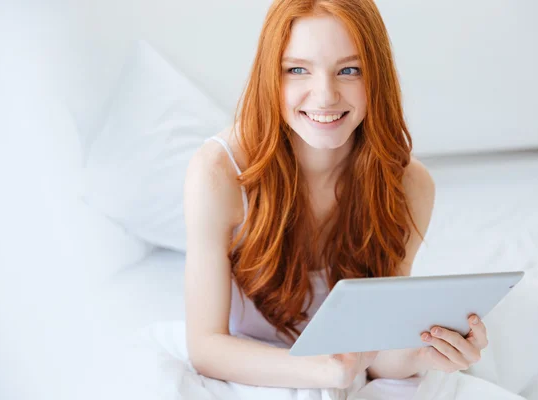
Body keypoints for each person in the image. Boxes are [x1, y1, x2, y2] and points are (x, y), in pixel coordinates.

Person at [183, 0, 488, 390]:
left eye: (349, 70)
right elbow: (205, 348)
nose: (325, 96)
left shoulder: (410, 186)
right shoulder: (217, 174)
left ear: (376, 76)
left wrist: (424, 353)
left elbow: (378, 355)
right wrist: (323, 371)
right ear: (269, 78)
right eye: (297, 70)